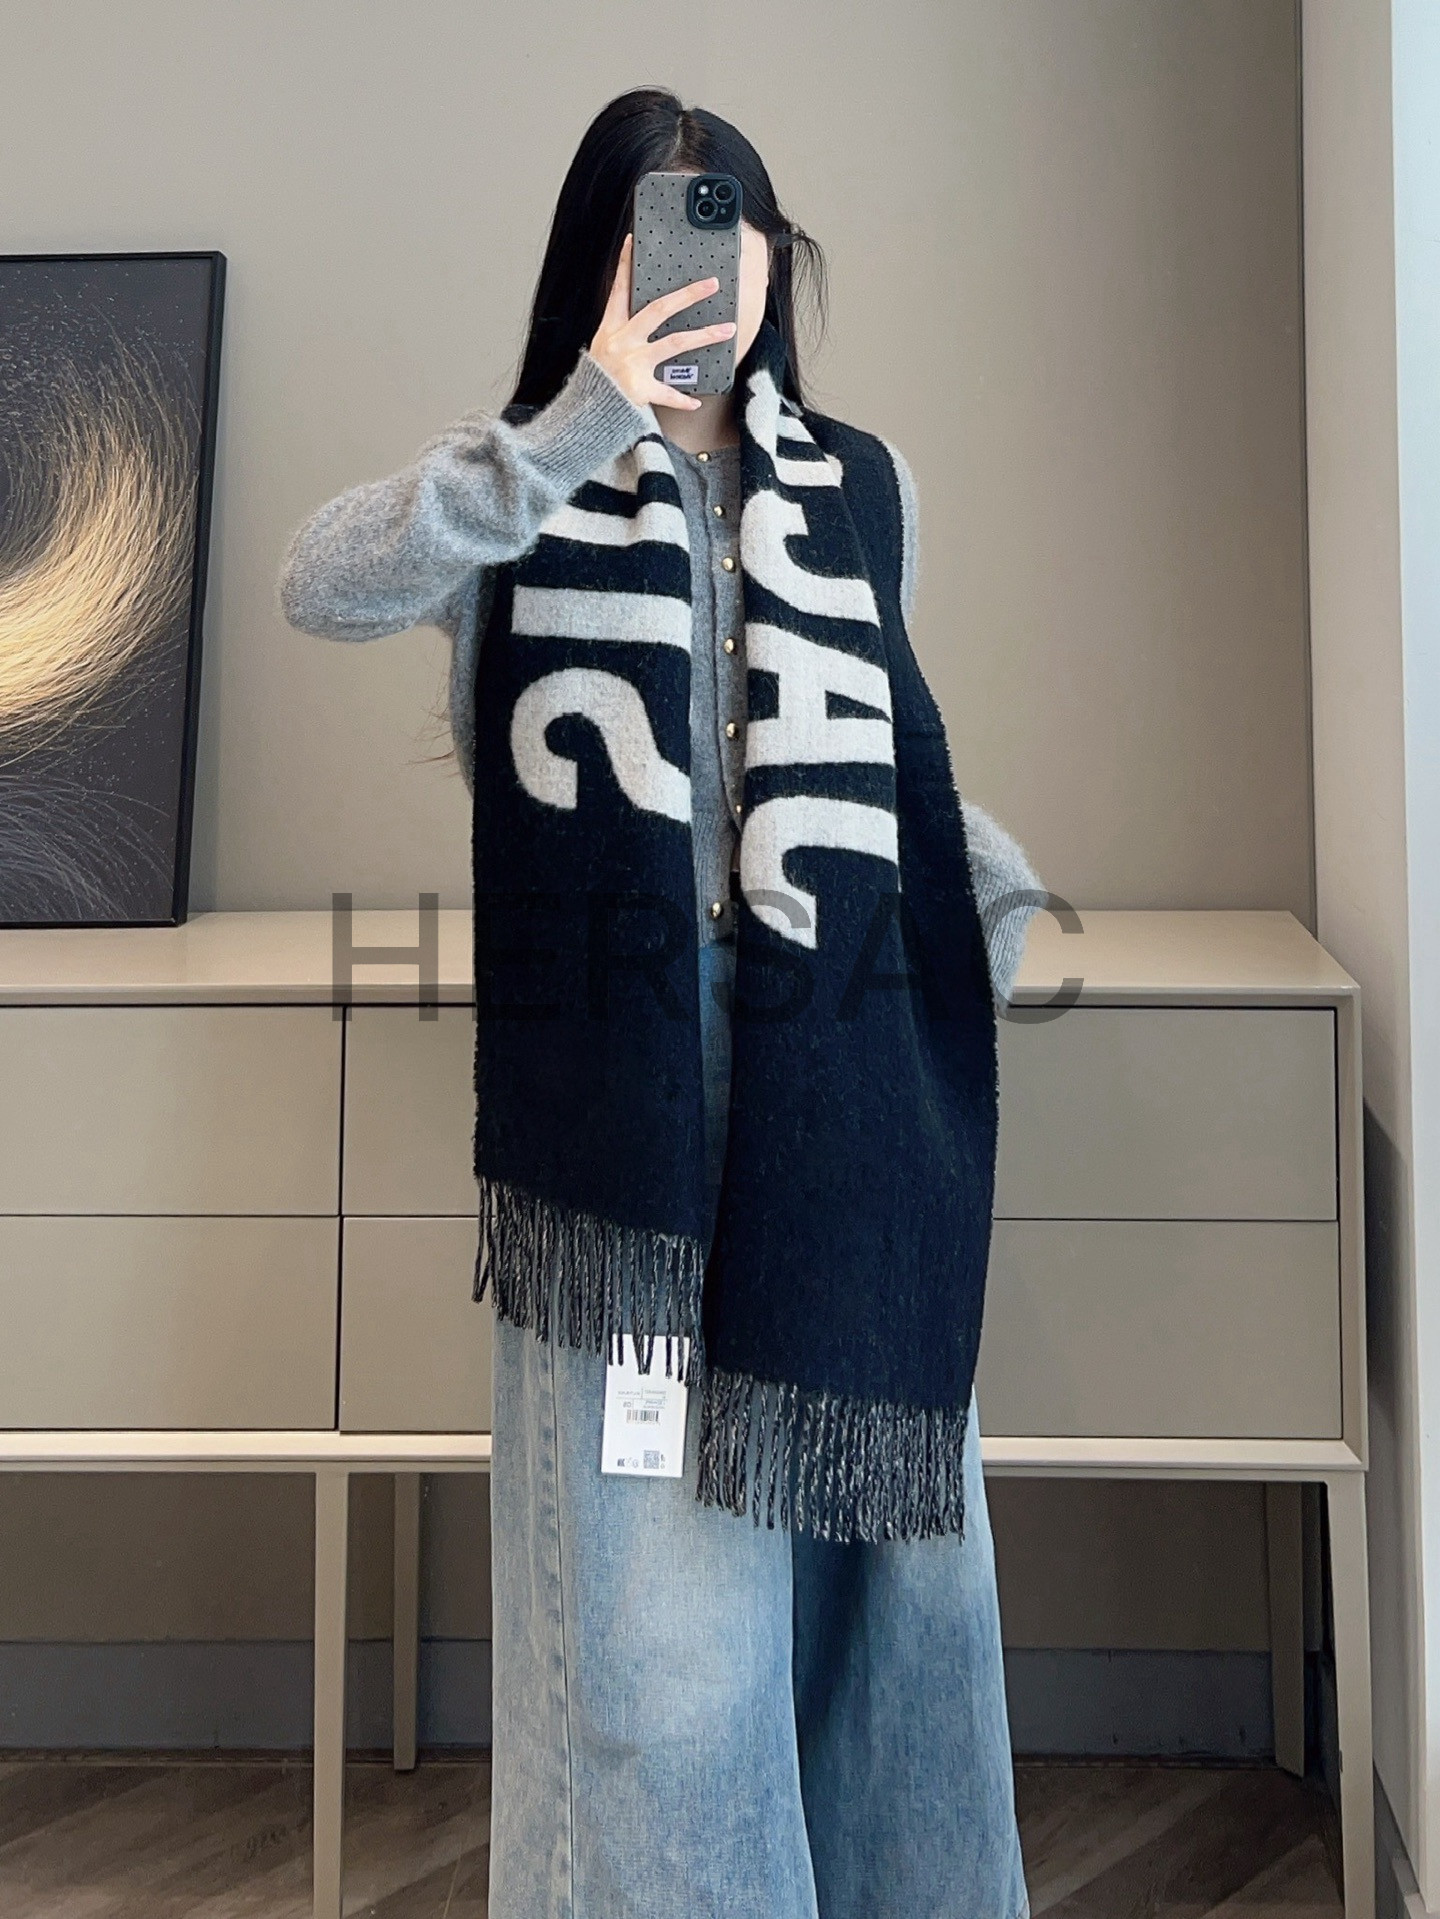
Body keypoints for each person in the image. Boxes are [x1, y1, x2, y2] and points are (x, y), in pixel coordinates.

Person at [279, 84, 1043, 1919]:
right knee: (649, 1631)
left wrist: (991, 903)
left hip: (841, 1085)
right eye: (663, 230)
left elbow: (879, 761)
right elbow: (320, 583)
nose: (707, 267)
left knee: (890, 1593)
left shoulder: (861, 486)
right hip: (621, 1115)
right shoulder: (521, 489)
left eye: (734, 226)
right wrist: (577, 423)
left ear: (775, 258)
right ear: (604, 263)